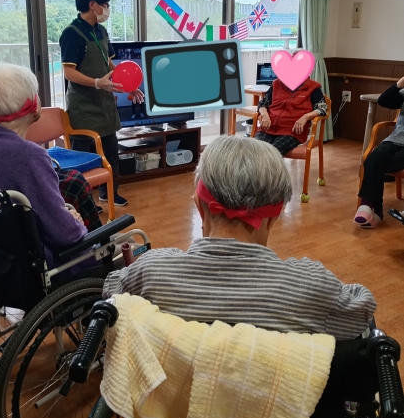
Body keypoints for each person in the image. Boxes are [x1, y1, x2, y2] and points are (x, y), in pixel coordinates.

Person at [104, 136, 376, 340]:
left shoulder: (151, 271)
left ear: (199, 206)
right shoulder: (312, 286)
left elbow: (111, 291)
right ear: (276, 214)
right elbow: (362, 311)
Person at [0, 63, 102, 260]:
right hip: (49, 260)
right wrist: (75, 223)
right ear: (32, 104)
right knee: (130, 242)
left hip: (0, 257)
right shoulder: (30, 157)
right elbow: (65, 234)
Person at [59, 0, 144, 208]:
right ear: (92, 4)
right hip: (83, 109)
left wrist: (129, 85)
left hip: (105, 106)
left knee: (111, 155)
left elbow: (108, 63)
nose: (107, 9)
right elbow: (69, 72)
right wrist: (97, 83)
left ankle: (109, 193)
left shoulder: (101, 31)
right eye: (105, 4)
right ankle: (82, 202)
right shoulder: (72, 33)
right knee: (82, 160)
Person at [354, 76, 404, 228]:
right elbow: (384, 101)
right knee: (374, 157)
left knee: (376, 164)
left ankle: (375, 210)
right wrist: (399, 84)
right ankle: (368, 204)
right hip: (396, 139)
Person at [254, 76, 328, 155]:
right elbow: (262, 103)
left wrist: (306, 117)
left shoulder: (314, 87)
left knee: (273, 153)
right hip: (267, 127)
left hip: (292, 131)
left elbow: (322, 108)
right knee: (254, 150)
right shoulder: (276, 83)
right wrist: (265, 115)